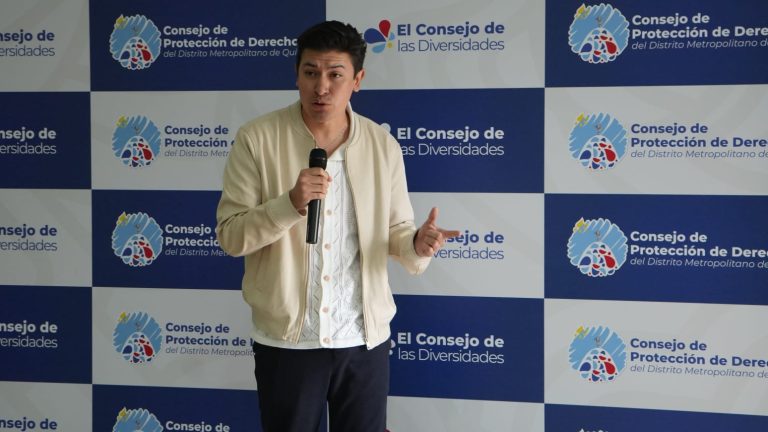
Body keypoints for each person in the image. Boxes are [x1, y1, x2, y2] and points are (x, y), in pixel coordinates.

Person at [215, 20, 459, 432]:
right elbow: (231, 235)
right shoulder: (257, 139)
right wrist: (289, 205)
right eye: (310, 72)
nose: (321, 87)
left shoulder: (382, 146)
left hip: (363, 340)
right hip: (288, 341)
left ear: (357, 80)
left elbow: (397, 231)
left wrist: (417, 244)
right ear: (296, 75)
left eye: (335, 75)